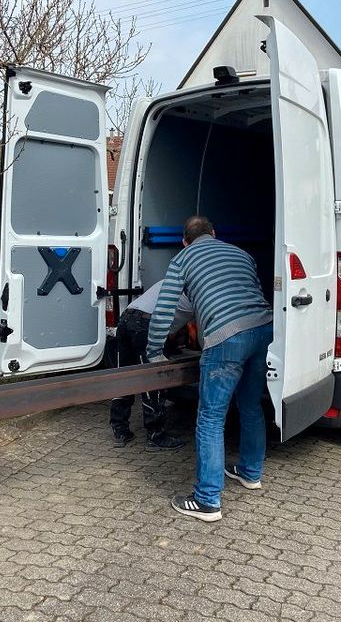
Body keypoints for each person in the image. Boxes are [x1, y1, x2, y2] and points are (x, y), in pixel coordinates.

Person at [146, 216, 273, 522]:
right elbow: (252, 295)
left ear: (184, 241)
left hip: (226, 339)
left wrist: (153, 352)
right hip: (264, 329)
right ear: (215, 234)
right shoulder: (242, 254)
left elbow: (165, 309)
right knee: (251, 405)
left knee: (211, 419)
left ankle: (206, 500)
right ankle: (250, 473)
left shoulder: (182, 259)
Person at [109, 281, 193, 450]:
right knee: (153, 381)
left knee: (124, 377)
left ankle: (120, 429)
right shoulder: (200, 292)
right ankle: (156, 435)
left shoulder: (171, 280)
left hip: (126, 320)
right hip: (146, 325)